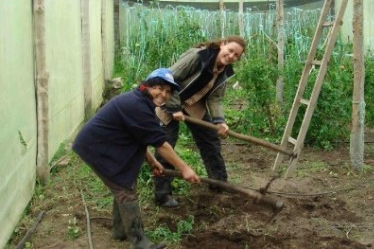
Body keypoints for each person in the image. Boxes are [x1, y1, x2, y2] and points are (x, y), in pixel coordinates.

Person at [72, 68, 200, 249]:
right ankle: (140, 243)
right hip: (96, 148)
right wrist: (185, 169)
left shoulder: (142, 103)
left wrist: (152, 162)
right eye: (159, 88)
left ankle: (120, 231)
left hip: (105, 144)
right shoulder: (136, 105)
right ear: (147, 85)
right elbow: (161, 144)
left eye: (167, 91)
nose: (163, 94)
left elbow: (140, 137)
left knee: (124, 185)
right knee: (125, 189)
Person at [154, 35, 246, 207]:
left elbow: (215, 98)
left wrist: (220, 121)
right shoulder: (199, 56)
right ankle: (162, 195)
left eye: (236, 55)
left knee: (210, 140)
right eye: (230, 50)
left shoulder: (225, 70)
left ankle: (219, 182)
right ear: (222, 44)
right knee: (166, 144)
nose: (231, 56)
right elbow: (169, 77)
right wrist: (174, 108)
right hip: (168, 99)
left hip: (193, 103)